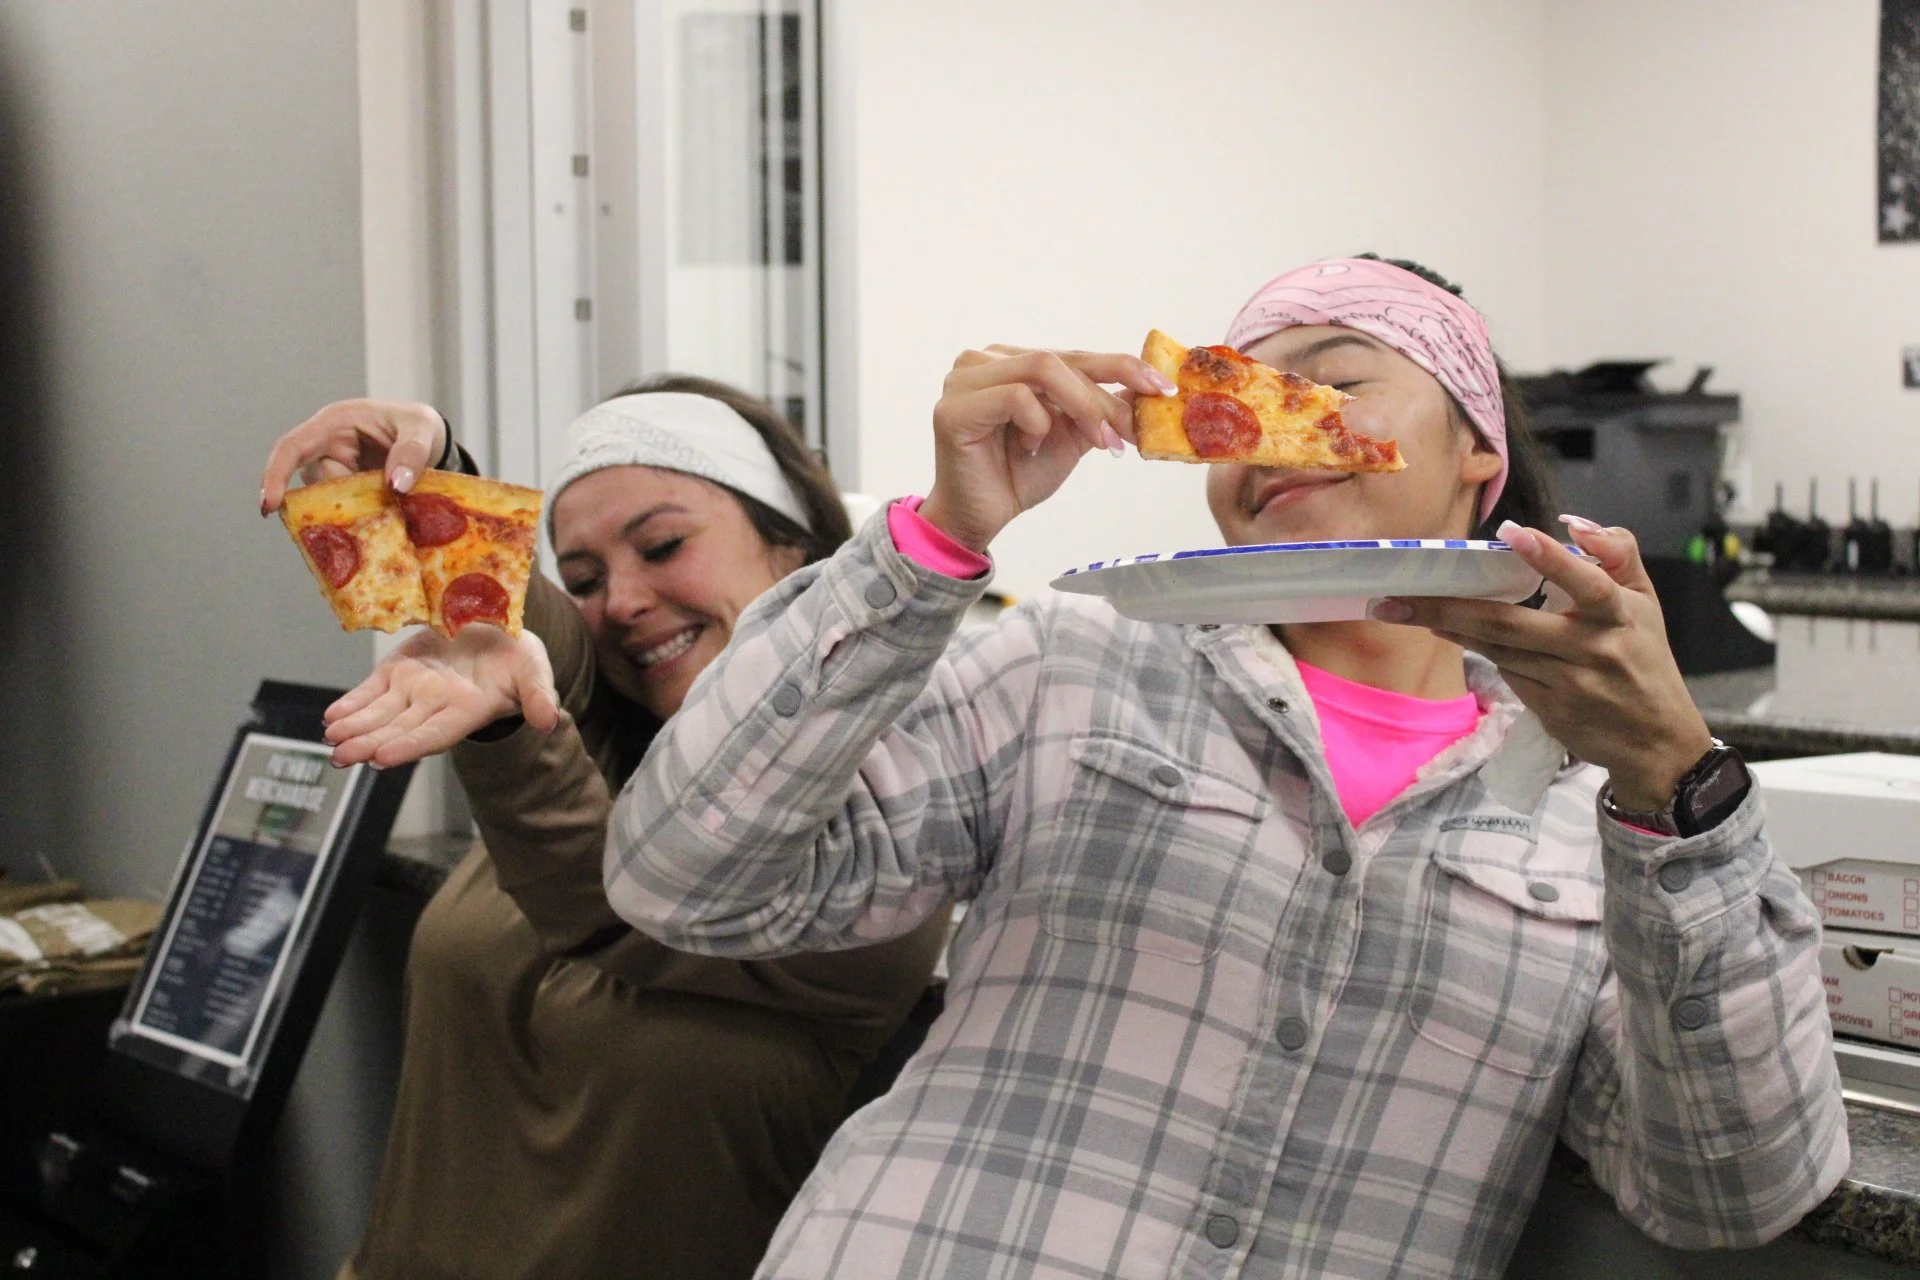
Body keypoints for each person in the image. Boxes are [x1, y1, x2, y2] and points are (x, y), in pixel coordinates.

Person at [329, 258, 1849, 1279]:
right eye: (1236, 393)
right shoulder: (1071, 663)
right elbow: (681, 873)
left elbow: (1732, 1189)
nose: (1275, 422)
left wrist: (1682, 790)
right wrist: (936, 537)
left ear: (1479, 456)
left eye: (1337, 377)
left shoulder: (1595, 822)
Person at [259, 377, 949, 1280]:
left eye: (662, 546)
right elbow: (511, 615)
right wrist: (420, 480)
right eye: (584, 579)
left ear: (797, 553)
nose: (620, 601)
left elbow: (622, 909)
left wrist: (507, 733)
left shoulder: (887, 823)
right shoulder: (602, 739)